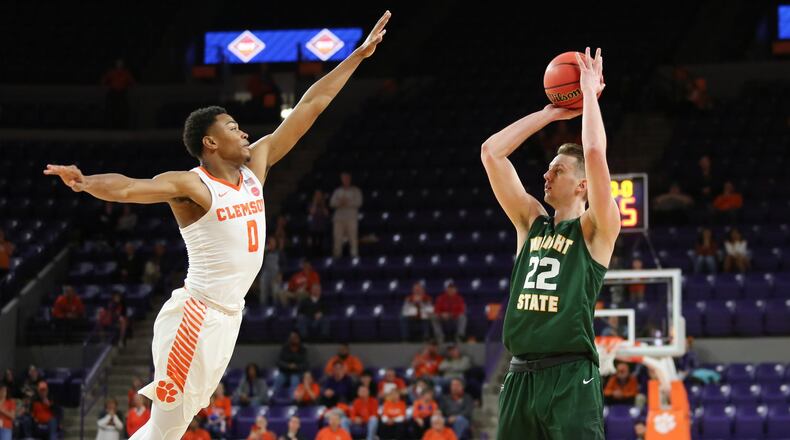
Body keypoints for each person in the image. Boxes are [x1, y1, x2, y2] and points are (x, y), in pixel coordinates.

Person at [44, 12, 390, 439]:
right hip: (196, 314)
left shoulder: (255, 169)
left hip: (229, 317)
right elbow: (130, 188)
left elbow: (311, 106)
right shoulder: (193, 185)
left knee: (170, 427)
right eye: (232, 127)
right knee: (166, 428)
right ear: (210, 143)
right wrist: (85, 182)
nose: (244, 133)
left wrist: (356, 57)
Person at [481, 48, 618, 439]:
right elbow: (491, 153)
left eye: (557, 170)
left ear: (582, 185)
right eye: (547, 168)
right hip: (520, 374)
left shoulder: (596, 229)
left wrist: (588, 93)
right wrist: (550, 114)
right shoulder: (530, 223)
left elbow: (593, 152)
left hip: (571, 376)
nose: (546, 174)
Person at [330, 172, 363, 258]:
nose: (345, 180)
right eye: (344, 179)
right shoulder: (337, 191)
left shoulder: (356, 190)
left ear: (350, 179)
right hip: (339, 218)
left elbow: (359, 202)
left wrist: (347, 202)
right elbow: (332, 203)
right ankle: (337, 255)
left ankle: (354, 255)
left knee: (353, 237)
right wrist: (339, 202)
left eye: (347, 178)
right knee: (337, 238)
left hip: (351, 218)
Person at [307, 190, 331, 257]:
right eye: (317, 195)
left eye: (319, 195)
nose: (318, 196)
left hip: (322, 228)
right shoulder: (311, 204)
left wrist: (322, 204)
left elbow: (327, 214)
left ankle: (320, 260)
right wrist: (315, 202)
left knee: (321, 246)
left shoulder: (324, 204)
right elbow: (312, 212)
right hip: (313, 228)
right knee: (313, 245)